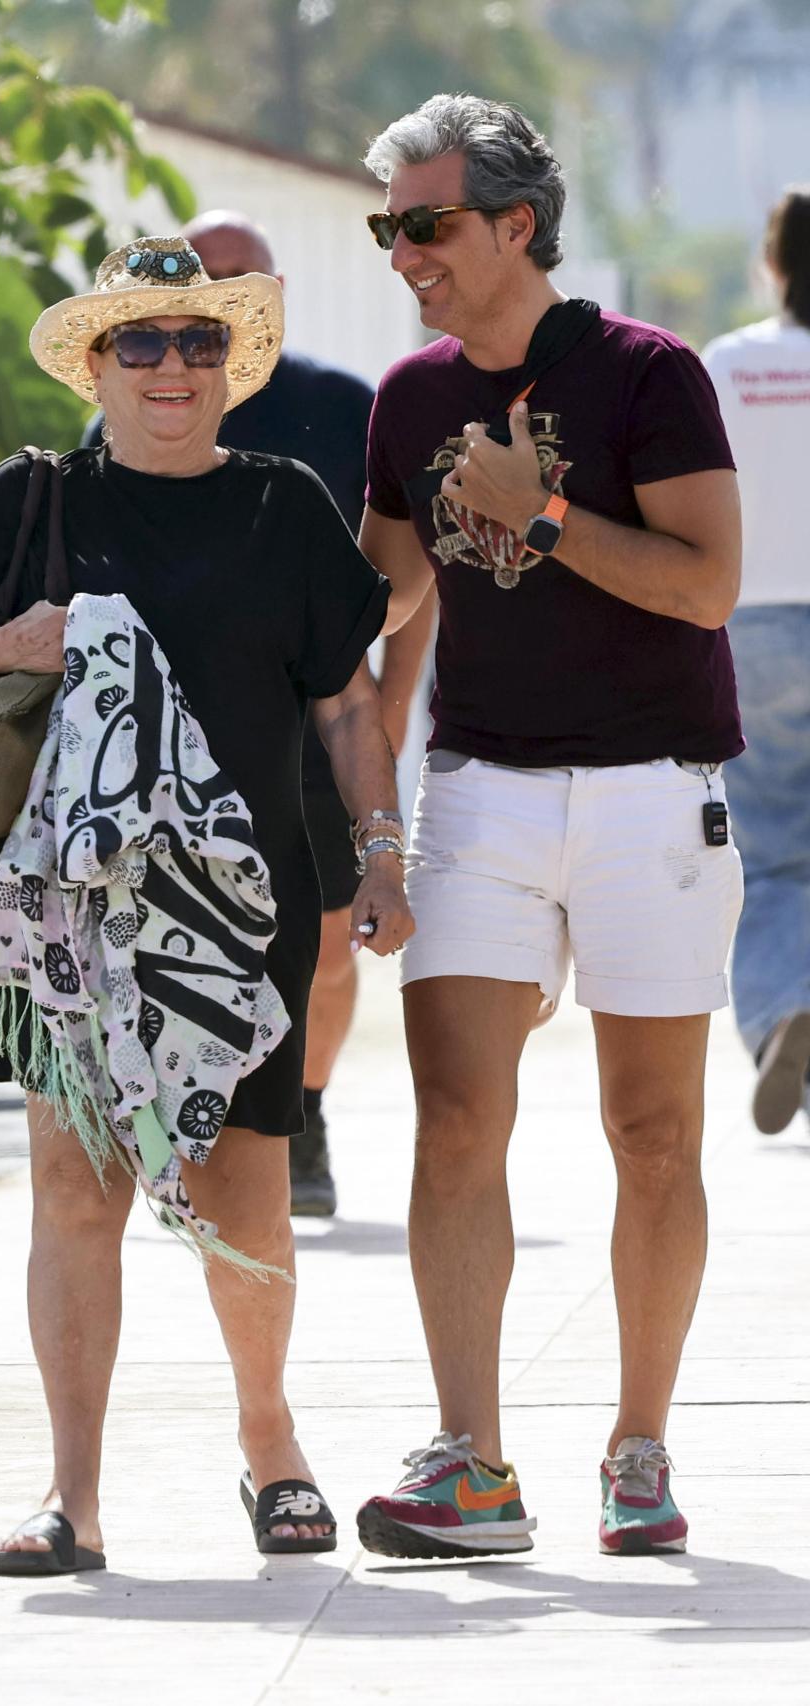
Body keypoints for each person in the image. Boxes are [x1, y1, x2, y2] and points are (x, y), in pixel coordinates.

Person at [0, 234, 413, 1573]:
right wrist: (9, 641)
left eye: (200, 342)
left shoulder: (286, 505)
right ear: (98, 361)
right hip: (67, 916)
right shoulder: (30, 501)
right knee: (76, 1189)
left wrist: (385, 854)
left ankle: (272, 1442)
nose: (175, 368)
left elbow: (347, 704)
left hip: (244, 909)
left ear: (231, 363)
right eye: (145, 343)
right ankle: (73, 1497)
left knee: (244, 1192)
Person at [353, 94, 744, 1560]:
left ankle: (639, 1444)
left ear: (518, 224)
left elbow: (709, 585)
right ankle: (474, 1463)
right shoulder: (406, 399)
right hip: (485, 791)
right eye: (387, 227)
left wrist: (549, 511)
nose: (405, 253)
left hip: (655, 790)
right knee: (455, 1115)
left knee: (652, 1135)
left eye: (428, 224)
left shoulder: (654, 375)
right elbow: (382, 598)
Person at [86, 210, 434, 1218]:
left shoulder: (343, 407)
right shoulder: (126, 409)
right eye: (196, 285)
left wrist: (396, 700)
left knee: (326, 948)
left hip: (315, 729)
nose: (191, 342)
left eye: (235, 288)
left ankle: (306, 1109)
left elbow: (408, 574)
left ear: (269, 299)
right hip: (159, 749)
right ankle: (183, 1119)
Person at [702, 187, 810, 1137]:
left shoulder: (728, 366)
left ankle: (783, 1010)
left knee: (771, 854)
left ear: (773, 265)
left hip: (755, 622)